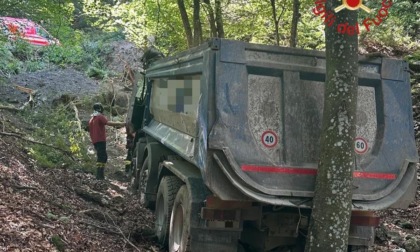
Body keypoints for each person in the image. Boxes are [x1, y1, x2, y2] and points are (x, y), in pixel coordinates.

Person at [88, 103, 125, 180]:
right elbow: (108, 123)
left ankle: (100, 175)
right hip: (100, 140)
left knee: (101, 157)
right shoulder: (100, 117)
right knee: (102, 157)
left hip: (95, 141)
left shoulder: (91, 119)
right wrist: (122, 124)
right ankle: (99, 176)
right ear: (100, 109)